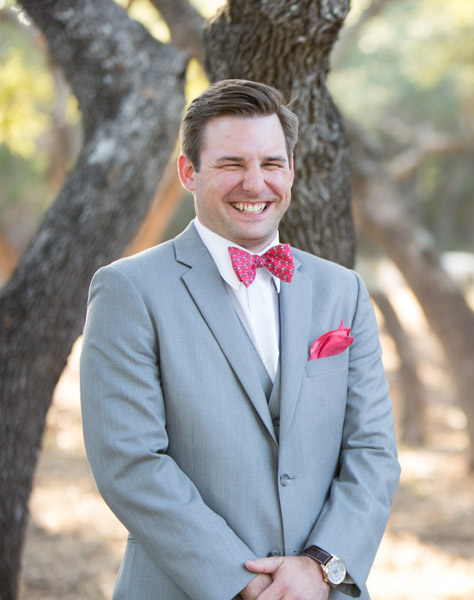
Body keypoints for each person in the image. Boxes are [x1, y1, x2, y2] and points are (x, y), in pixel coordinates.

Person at [80, 79, 400, 600]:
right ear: (189, 172)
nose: (256, 184)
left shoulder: (342, 290)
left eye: (272, 164)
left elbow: (372, 449)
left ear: (290, 171)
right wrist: (245, 582)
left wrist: (320, 569)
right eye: (232, 164)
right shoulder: (128, 289)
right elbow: (129, 461)